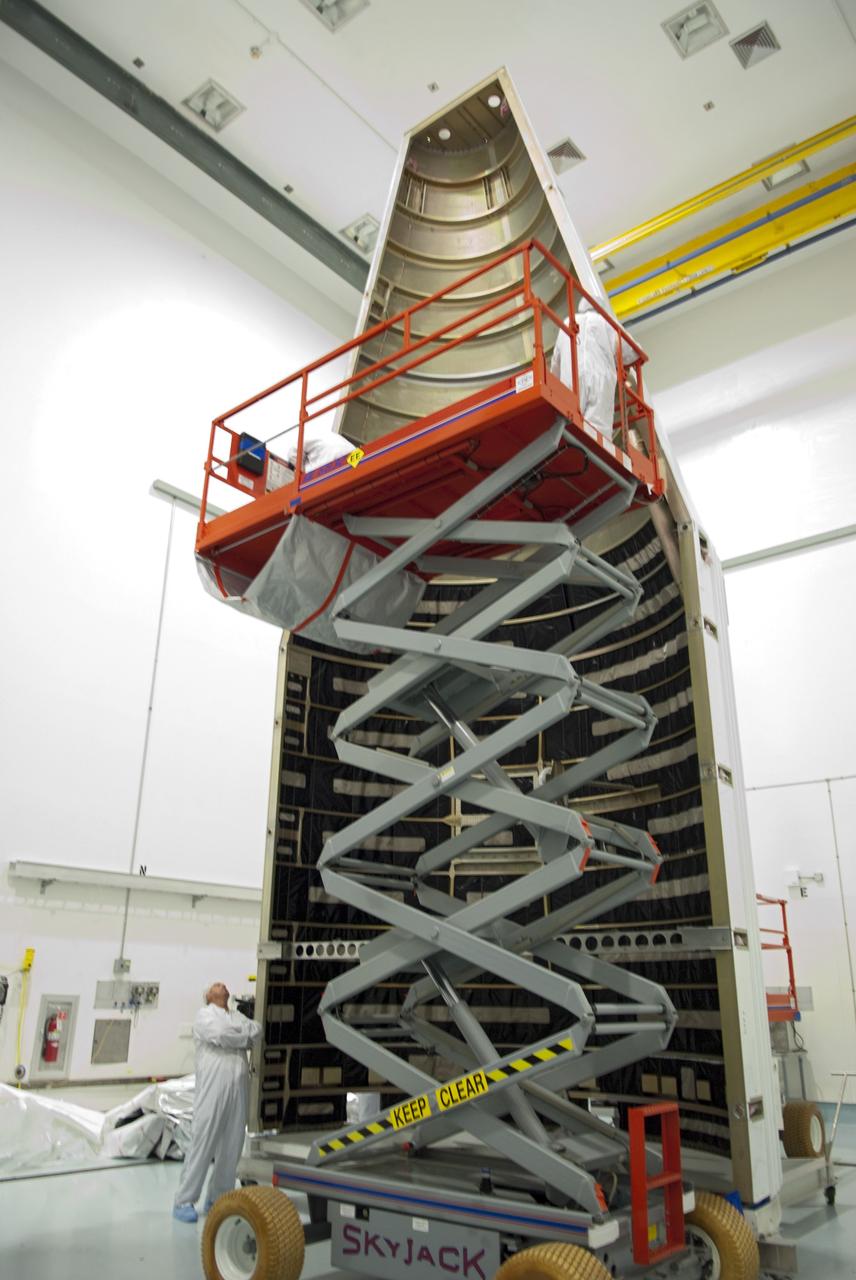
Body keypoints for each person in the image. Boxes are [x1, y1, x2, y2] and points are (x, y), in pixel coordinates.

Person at [172, 982, 261, 1223]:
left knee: (232, 1146)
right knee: (203, 1142)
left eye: (223, 984)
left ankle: (219, 1197)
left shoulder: (237, 1016)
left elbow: (256, 1031)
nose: (221, 985)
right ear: (209, 996)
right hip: (213, 1089)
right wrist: (242, 1037)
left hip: (238, 1088)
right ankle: (184, 1199)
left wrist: (238, 1035)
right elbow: (221, 1035)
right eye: (215, 985)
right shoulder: (204, 1016)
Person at [550, 297, 637, 436]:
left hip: (571, 382)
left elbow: (555, 364)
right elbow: (632, 352)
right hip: (599, 382)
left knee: (569, 426)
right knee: (597, 433)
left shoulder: (567, 323)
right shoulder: (606, 324)